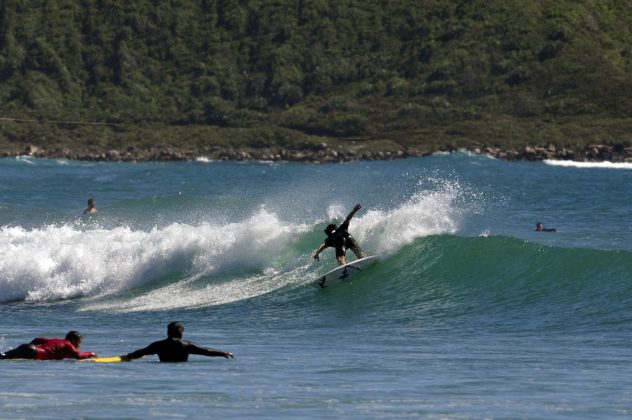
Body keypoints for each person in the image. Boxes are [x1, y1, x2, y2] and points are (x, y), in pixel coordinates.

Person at [120, 321, 234, 362]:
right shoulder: (187, 345)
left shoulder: (158, 345)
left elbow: (141, 352)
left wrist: (129, 356)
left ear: (167, 332)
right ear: (181, 333)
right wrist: (223, 353)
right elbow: (206, 351)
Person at [0, 331, 97, 360]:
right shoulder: (68, 345)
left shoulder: (57, 340)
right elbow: (78, 356)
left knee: (3, 356)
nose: (80, 345)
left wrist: (29, 347)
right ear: (73, 340)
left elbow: (37, 339)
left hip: (26, 347)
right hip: (33, 352)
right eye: (79, 342)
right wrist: (90, 354)